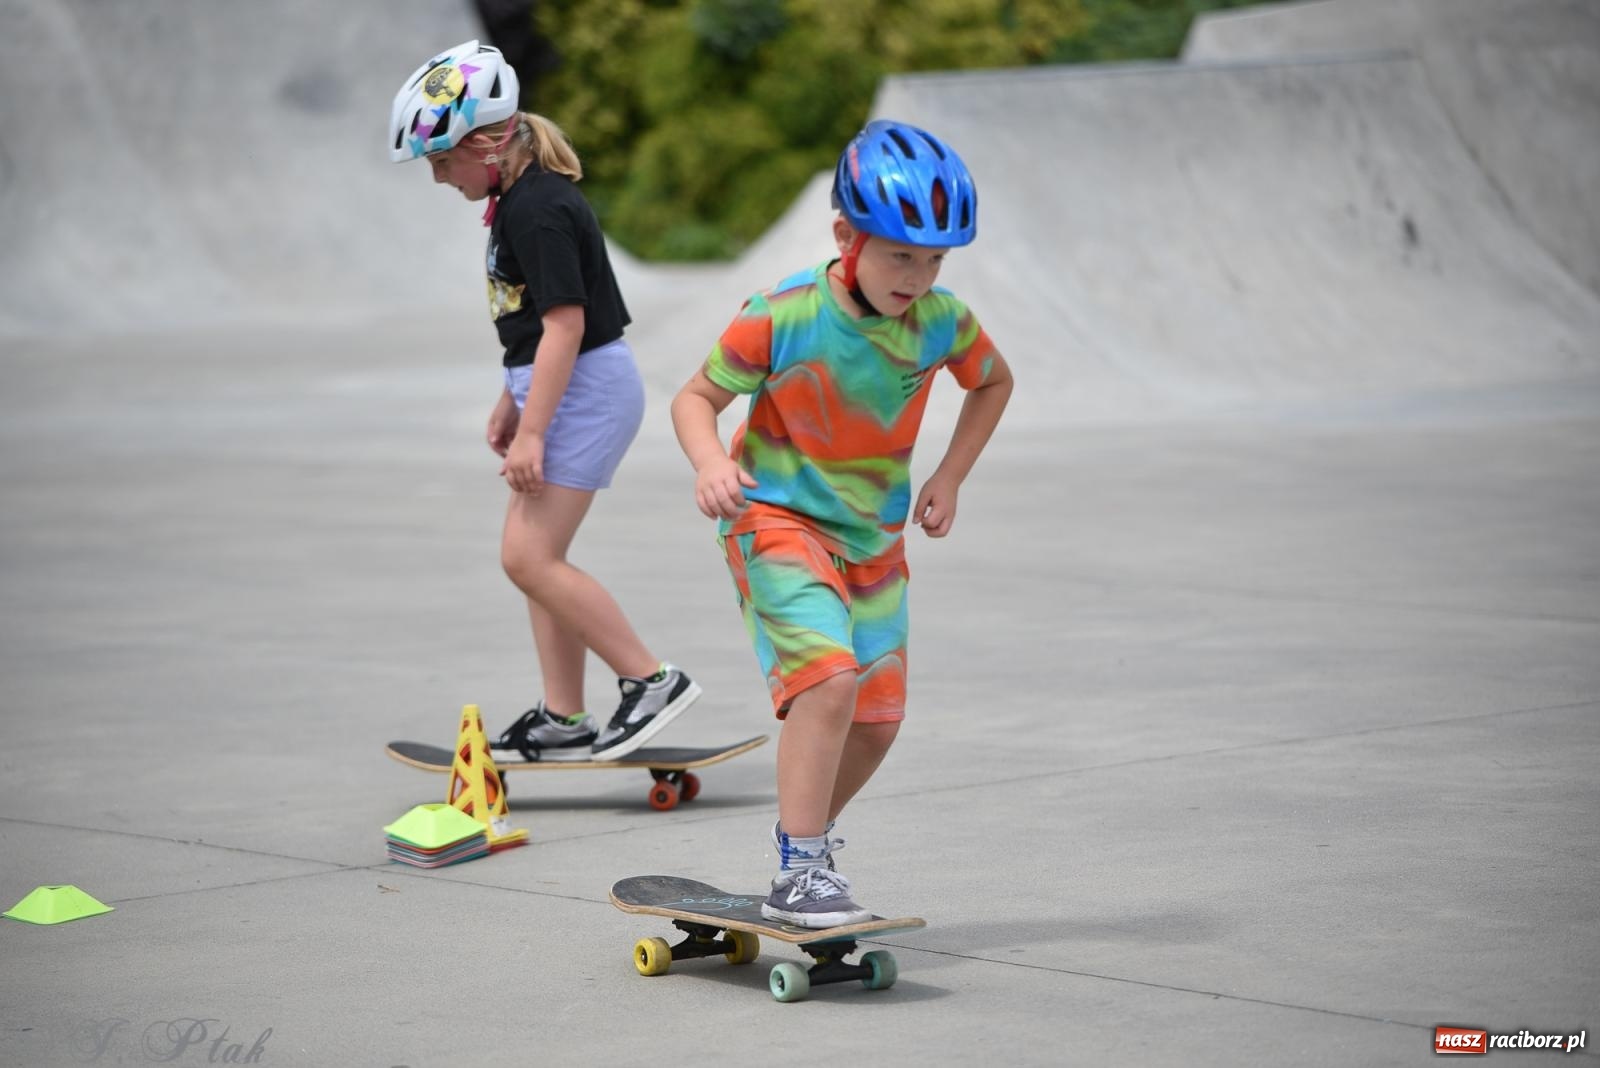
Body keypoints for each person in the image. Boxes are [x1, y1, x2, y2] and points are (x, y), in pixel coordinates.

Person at [670, 120, 1014, 926]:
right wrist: (711, 461)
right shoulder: (782, 313)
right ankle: (800, 869)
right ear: (844, 236)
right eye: (900, 254)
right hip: (775, 520)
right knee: (829, 683)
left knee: (877, 723)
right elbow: (695, 399)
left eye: (934, 260)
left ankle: (807, 847)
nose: (918, 276)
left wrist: (950, 475)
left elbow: (992, 383)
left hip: (875, 542)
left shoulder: (943, 321)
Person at [389, 40, 699, 762]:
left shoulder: (539, 209)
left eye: (440, 162)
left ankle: (651, 679)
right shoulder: (516, 200)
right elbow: (533, 323)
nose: (437, 178)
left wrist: (533, 432)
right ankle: (564, 717)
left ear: (488, 143)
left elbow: (568, 324)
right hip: (562, 385)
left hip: (584, 391)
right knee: (537, 556)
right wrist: (511, 398)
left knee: (527, 558)